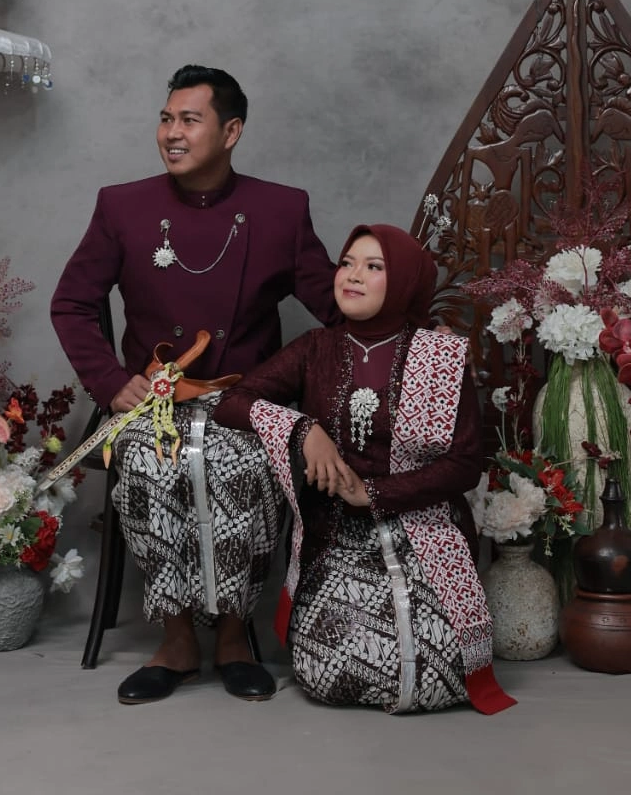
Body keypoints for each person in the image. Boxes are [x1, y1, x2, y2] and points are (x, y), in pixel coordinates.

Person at [50, 65, 339, 704]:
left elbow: (337, 308)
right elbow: (71, 304)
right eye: (165, 119)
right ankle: (177, 641)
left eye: (189, 120)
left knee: (241, 469)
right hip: (155, 405)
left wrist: (408, 331)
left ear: (231, 132)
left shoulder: (281, 209)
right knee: (151, 469)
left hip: (246, 401)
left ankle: (234, 637)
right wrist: (110, 381)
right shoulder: (122, 206)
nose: (171, 133)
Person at [212, 223, 516, 714]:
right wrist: (303, 429)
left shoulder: (437, 356)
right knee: (332, 674)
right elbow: (232, 402)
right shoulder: (316, 348)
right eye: (347, 263)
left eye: (374, 267)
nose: (352, 275)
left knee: (436, 672)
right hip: (337, 538)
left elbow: (464, 465)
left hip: (422, 531)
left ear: (404, 283)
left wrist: (373, 494)